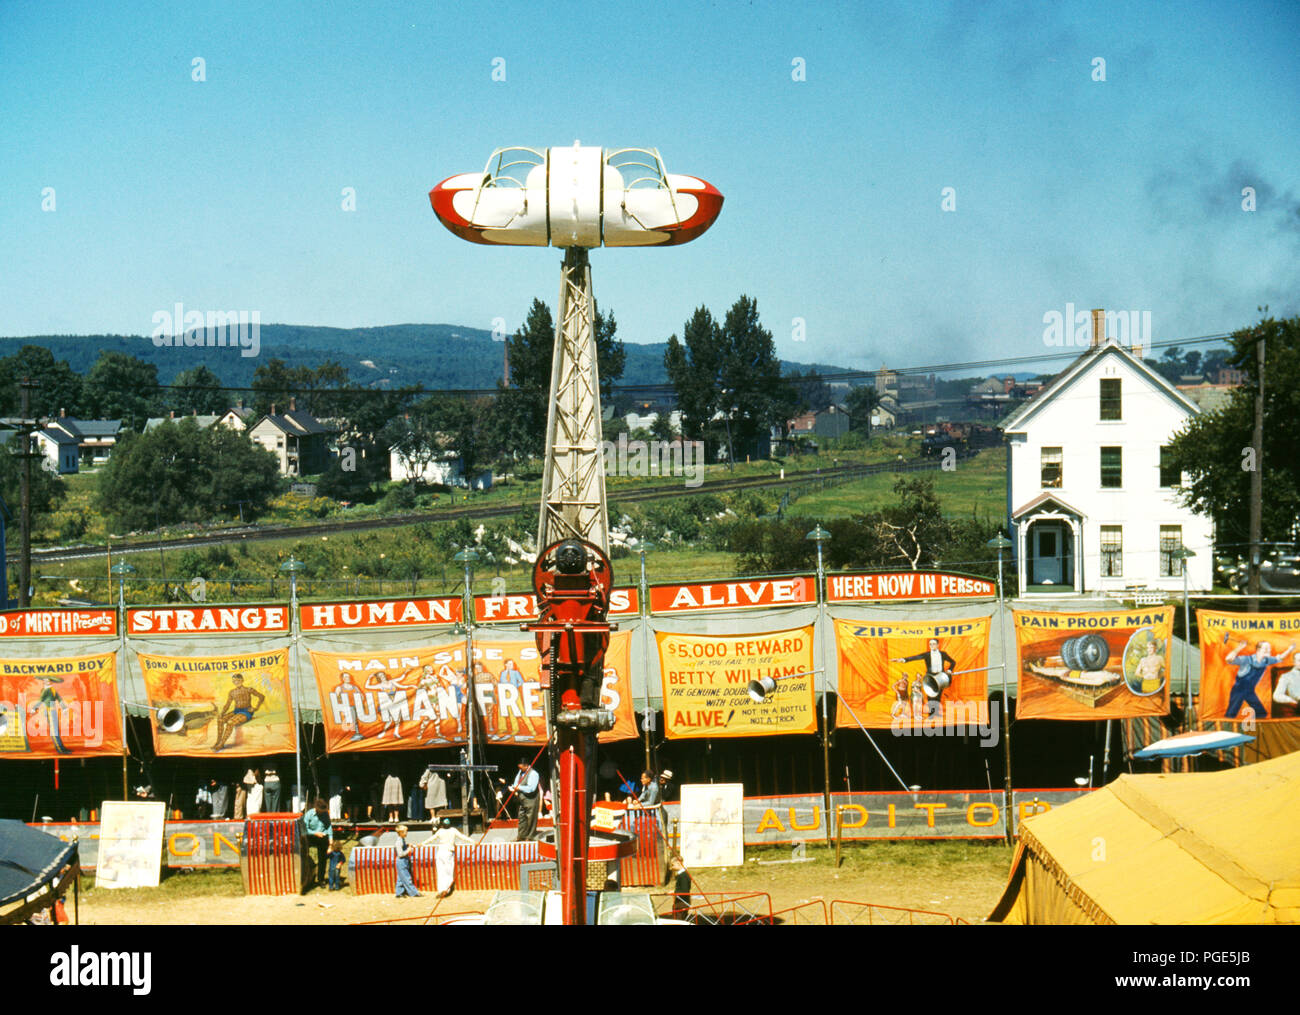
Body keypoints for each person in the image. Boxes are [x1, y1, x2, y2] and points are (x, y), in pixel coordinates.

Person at [1224, 639, 1295, 720]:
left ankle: (1258, 731)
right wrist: (1239, 647)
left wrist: (1290, 649)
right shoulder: (1247, 660)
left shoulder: (1266, 660)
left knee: (1261, 713)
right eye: (1266, 648)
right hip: (1238, 691)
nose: (1269, 650)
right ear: (1258, 650)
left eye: (1269, 648)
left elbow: (1280, 658)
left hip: (1250, 691)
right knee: (1230, 714)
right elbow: (1228, 659)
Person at [213, 673, 265, 752]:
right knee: (220, 720)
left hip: (246, 712)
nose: (236, 682)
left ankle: (222, 744)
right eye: (234, 681)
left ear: (242, 680)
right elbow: (227, 704)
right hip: (236, 711)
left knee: (230, 722)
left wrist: (255, 708)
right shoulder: (232, 692)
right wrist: (222, 713)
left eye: (238, 680)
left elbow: (261, 696)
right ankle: (218, 741)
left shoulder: (249, 689)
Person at [430, 817, 474, 898]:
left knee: (440, 871)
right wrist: (473, 841)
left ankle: (441, 889)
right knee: (448, 871)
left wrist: (422, 844)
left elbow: (431, 839)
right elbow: (462, 837)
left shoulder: (440, 831)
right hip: (448, 852)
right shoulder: (453, 830)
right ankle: (446, 889)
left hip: (440, 852)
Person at [505, 757, 541, 841]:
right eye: (519, 768)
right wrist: (514, 787)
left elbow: (531, 788)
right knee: (521, 817)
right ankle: (521, 836)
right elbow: (516, 782)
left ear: (526, 766)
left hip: (531, 799)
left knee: (531, 818)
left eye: (521, 768)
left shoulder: (533, 774)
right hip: (522, 799)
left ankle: (530, 837)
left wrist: (518, 787)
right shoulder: (520, 772)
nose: (520, 769)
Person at [303, 798, 332, 888]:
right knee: (304, 854)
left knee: (323, 857)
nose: (321, 813)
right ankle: (306, 876)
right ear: (316, 808)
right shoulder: (309, 814)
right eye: (320, 811)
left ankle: (321, 879)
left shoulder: (325, 814)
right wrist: (315, 833)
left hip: (322, 837)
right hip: (311, 835)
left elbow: (328, 827)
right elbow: (304, 829)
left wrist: (331, 840)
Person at [394, 824, 421, 898]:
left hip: (403, 861)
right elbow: (400, 854)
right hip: (401, 861)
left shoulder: (402, 840)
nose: (407, 833)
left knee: (400, 877)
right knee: (406, 877)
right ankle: (414, 893)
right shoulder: (398, 842)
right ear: (401, 833)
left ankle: (399, 893)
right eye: (405, 832)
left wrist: (408, 845)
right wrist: (408, 850)